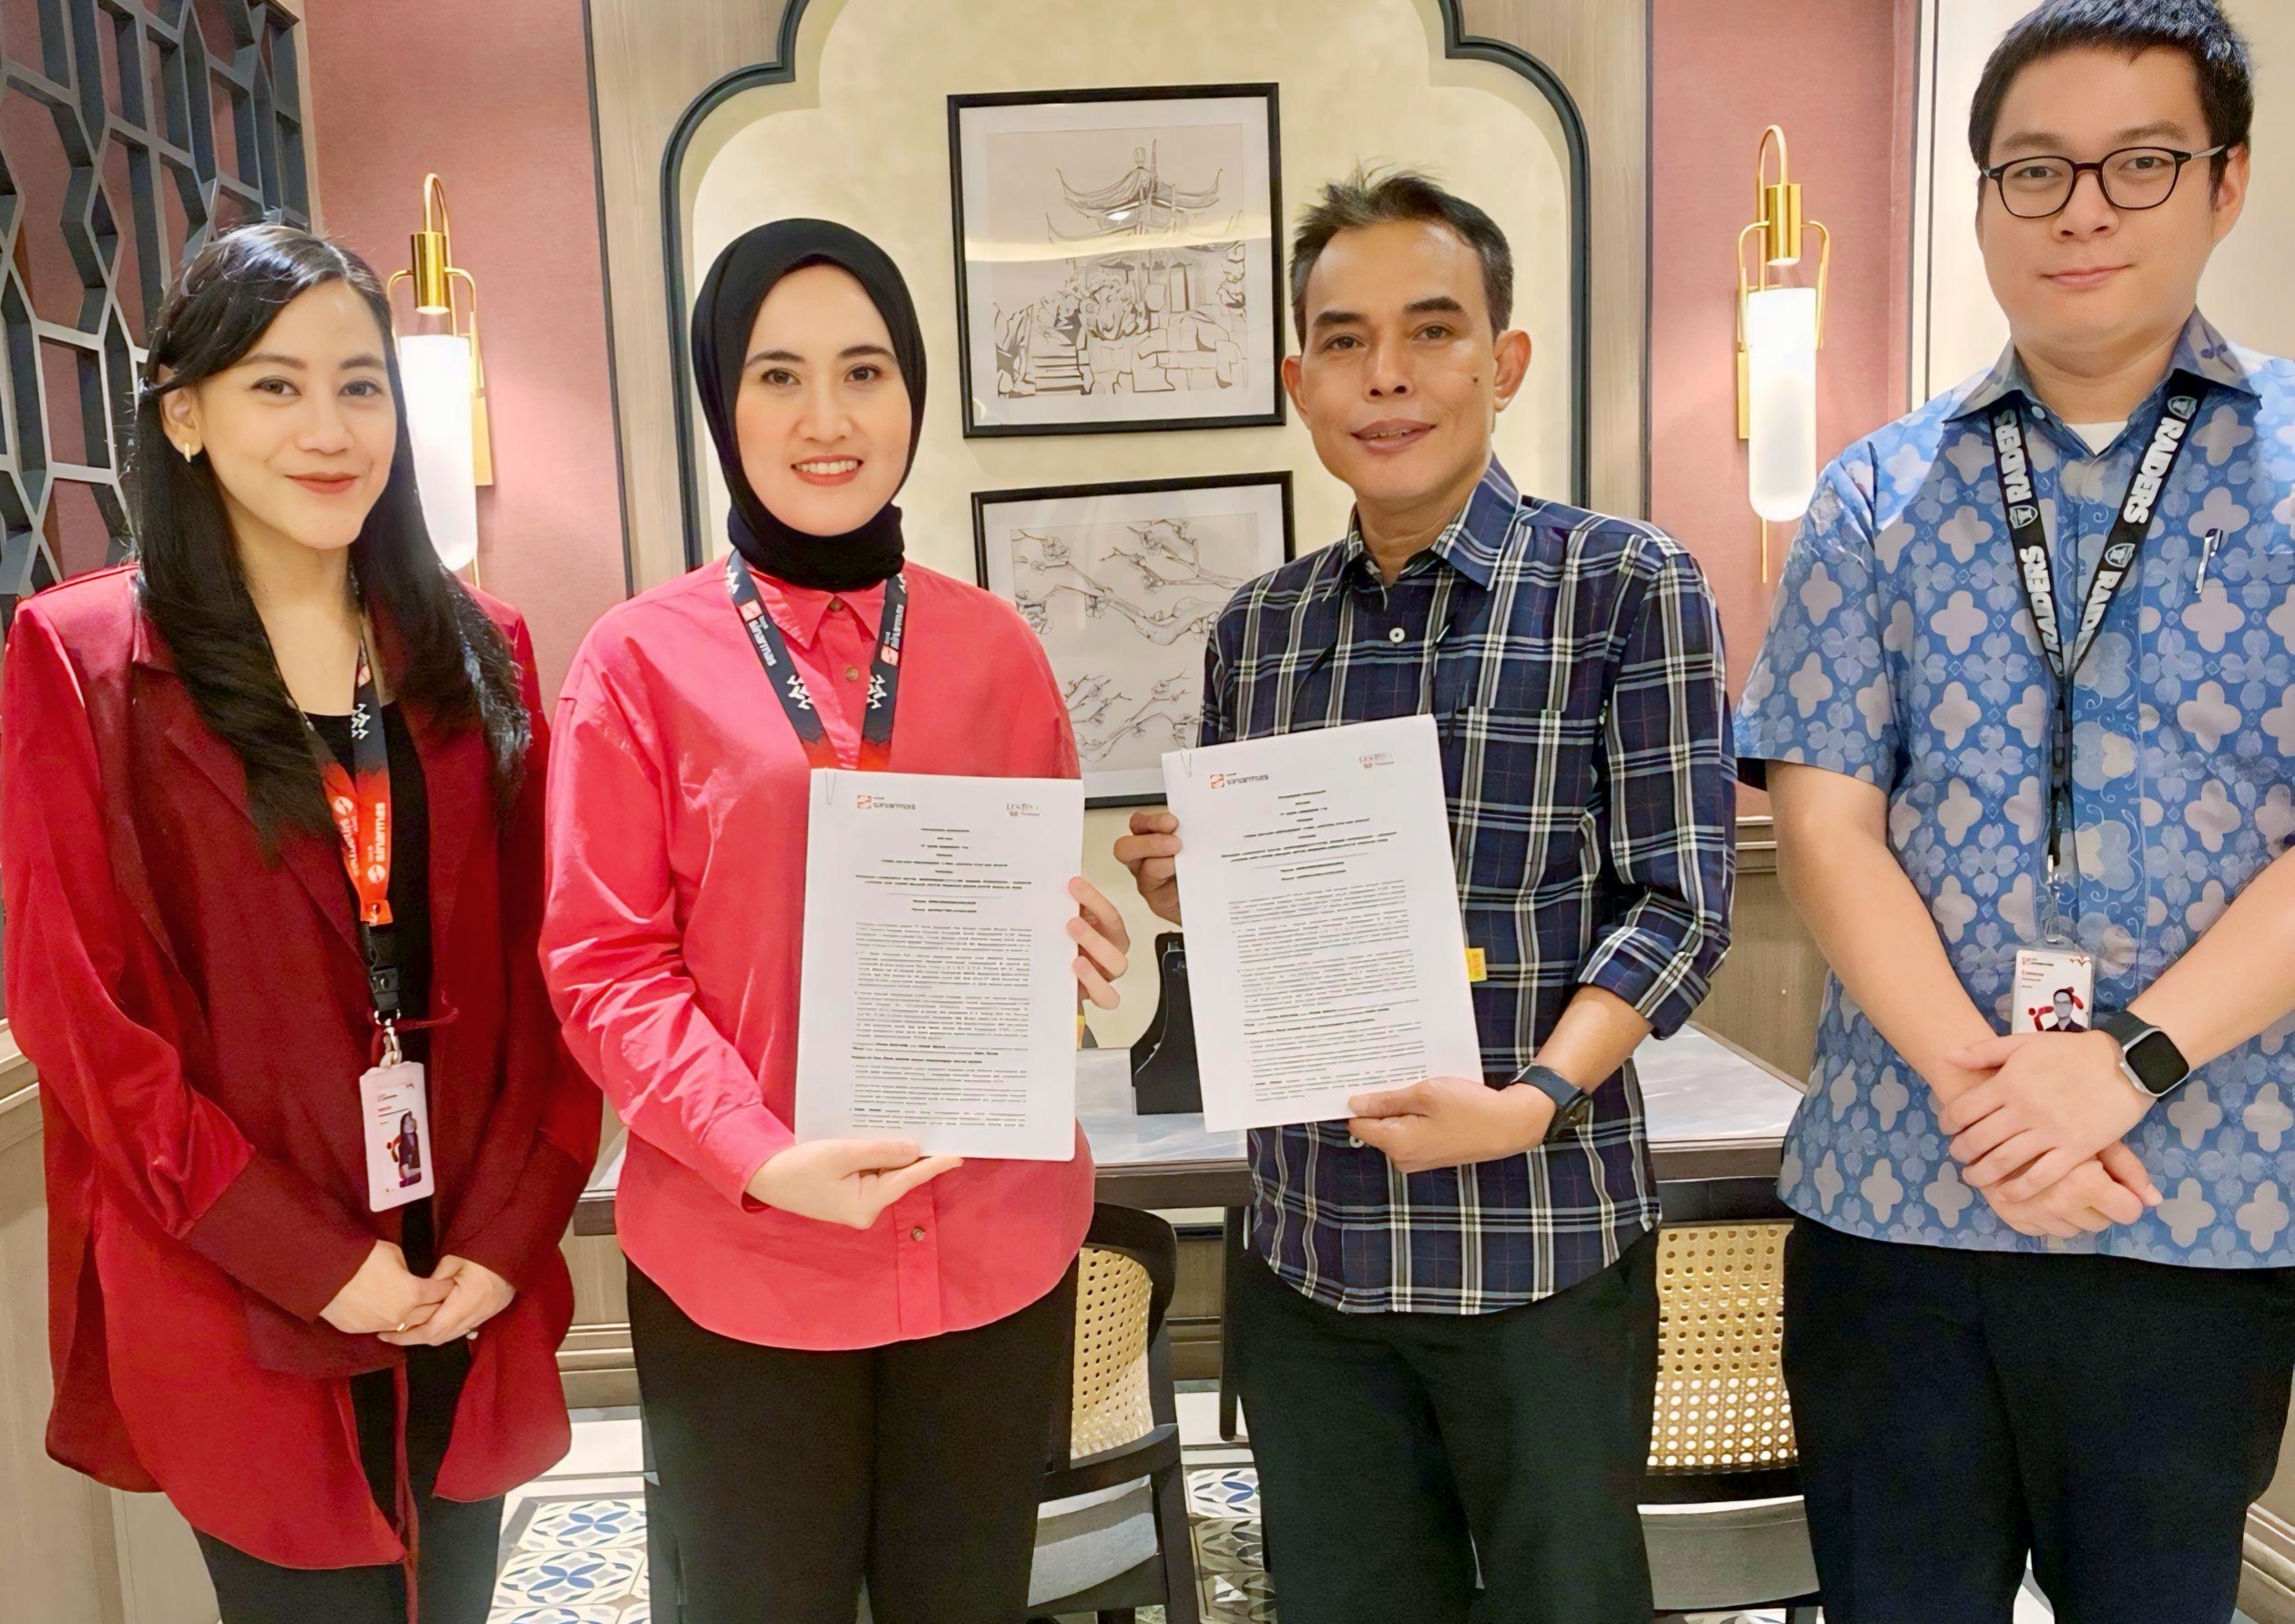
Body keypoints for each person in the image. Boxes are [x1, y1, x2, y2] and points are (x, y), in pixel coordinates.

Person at [1734, 3, 2295, 1618]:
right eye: (2036, 171)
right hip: (1899, 1202)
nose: (2083, 211)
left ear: (2227, 181)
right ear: (1984, 198)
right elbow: (1826, 825)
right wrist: (1990, 1095)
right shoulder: (1875, 491)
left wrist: (2117, 1070)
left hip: (2196, 1205)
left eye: (2140, 163)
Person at [1116, 169, 1734, 1624]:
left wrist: (1531, 1101)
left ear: (1502, 362)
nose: (1386, 375)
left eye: (1432, 330)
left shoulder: (1625, 585)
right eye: (1344, 341)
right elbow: (1272, 925)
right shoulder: (1260, 631)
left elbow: (1680, 905)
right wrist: (1198, 889)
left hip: (1541, 1248)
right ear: (1300, 384)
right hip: (1307, 1254)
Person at [0, 223, 598, 1624]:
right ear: (185, 416)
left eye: (359, 385)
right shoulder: (84, 660)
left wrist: (507, 1236)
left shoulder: (478, 645)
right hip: (244, 1281)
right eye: (275, 386)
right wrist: (316, 1265)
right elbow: (81, 1015)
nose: (328, 430)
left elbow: (551, 965)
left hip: (464, 1260)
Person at [539, 220, 1132, 1624]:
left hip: (990, 1243)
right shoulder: (636, 662)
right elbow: (605, 966)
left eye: (865, 371)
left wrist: (1070, 955)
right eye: (778, 375)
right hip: (749, 1258)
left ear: (912, 392)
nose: (827, 418)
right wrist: (760, 1156)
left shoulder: (996, 649)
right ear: (721, 402)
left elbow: (1024, 924)